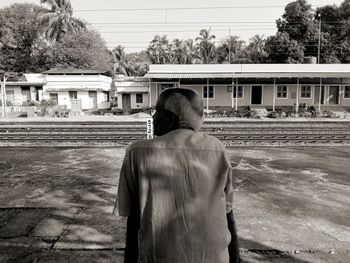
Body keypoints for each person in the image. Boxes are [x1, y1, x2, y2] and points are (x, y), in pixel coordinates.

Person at [114, 88, 239, 263]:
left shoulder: (137, 151)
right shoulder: (217, 148)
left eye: (157, 110)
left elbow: (134, 220)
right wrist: (236, 259)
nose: (153, 116)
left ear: (173, 116)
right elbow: (227, 213)